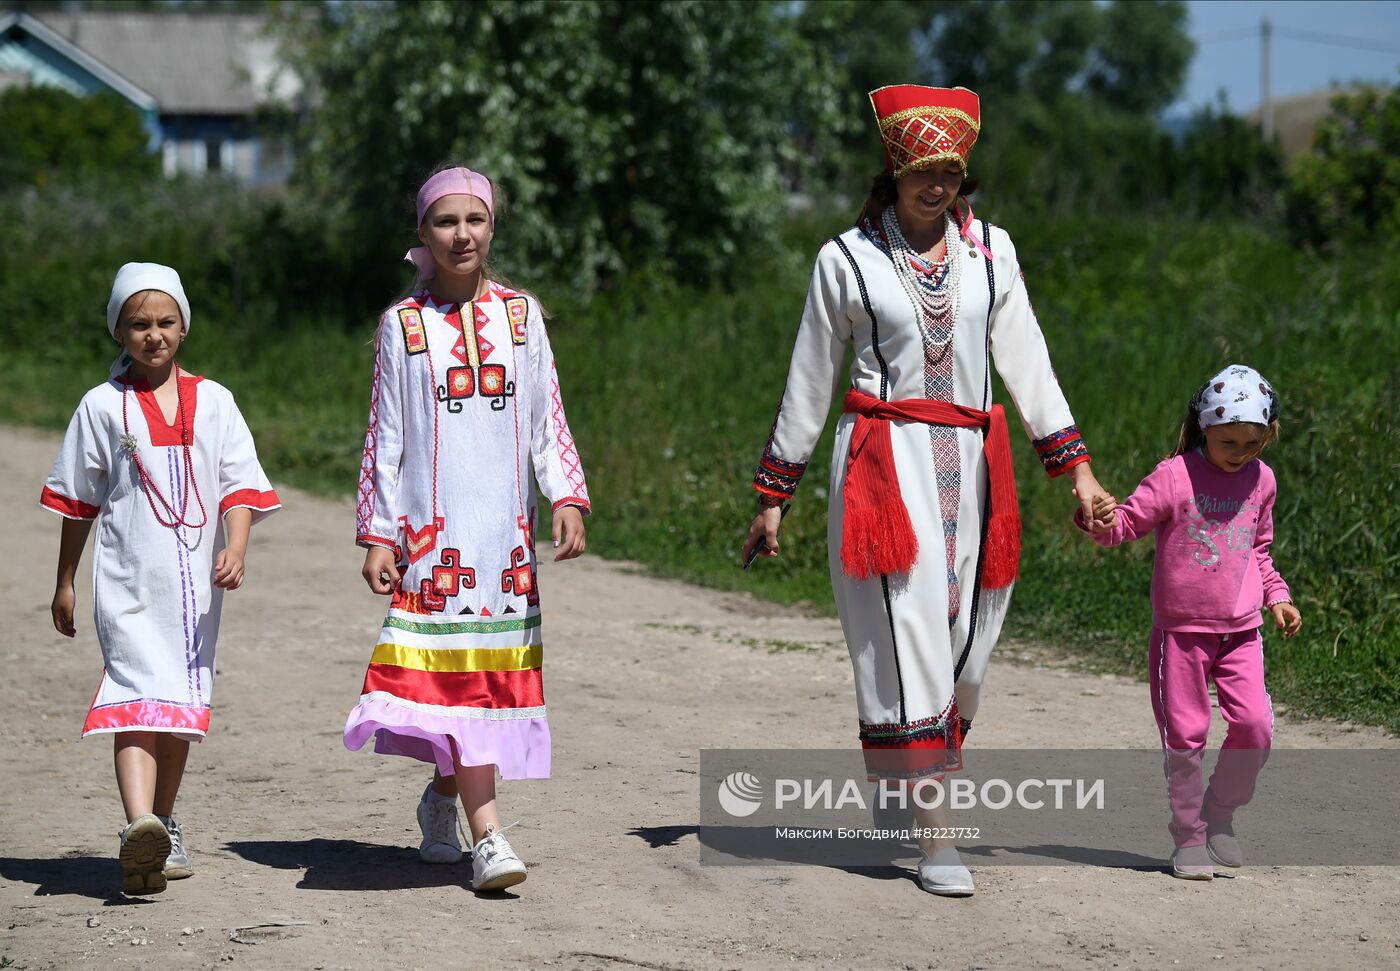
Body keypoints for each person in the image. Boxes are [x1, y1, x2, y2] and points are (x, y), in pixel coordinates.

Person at [741, 85, 1111, 897]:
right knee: (911, 640)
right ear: (895, 168)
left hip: (978, 466)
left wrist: (1076, 471)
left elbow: (1029, 362)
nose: (936, 186)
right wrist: (777, 492)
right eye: (921, 170)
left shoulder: (992, 254)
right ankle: (939, 834)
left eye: (950, 170)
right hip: (883, 466)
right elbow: (809, 379)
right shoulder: (845, 259)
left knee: (968, 649)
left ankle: (908, 774)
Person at [344, 165, 590, 892]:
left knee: (477, 684)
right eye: (446, 221)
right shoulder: (403, 325)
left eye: (475, 220)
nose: (462, 234)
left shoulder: (522, 315)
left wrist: (567, 494)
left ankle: (444, 796)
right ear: (422, 233)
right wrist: (378, 532)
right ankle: (489, 836)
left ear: (492, 227)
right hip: (433, 539)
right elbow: (384, 435)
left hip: (503, 539)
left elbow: (547, 415)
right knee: (461, 688)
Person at [42, 262, 280, 896]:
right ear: (118, 331)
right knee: (133, 691)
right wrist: (66, 578)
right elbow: (77, 501)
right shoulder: (100, 406)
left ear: (184, 328)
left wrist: (237, 546)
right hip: (126, 582)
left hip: (196, 593)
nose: (153, 334)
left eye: (165, 321)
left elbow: (239, 486)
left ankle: (164, 825)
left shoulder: (217, 401)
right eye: (138, 323)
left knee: (178, 709)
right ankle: (138, 823)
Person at [1078, 364, 1300, 880]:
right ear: (1205, 428)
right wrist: (1100, 516)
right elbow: (1125, 526)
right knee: (1187, 735)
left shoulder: (1262, 480)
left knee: (1256, 727)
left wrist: (1278, 597)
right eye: (1229, 442)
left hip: (1241, 630)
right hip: (1180, 635)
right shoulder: (1173, 477)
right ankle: (1189, 838)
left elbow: (1259, 551)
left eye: (1252, 442)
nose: (1240, 453)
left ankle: (1219, 811)